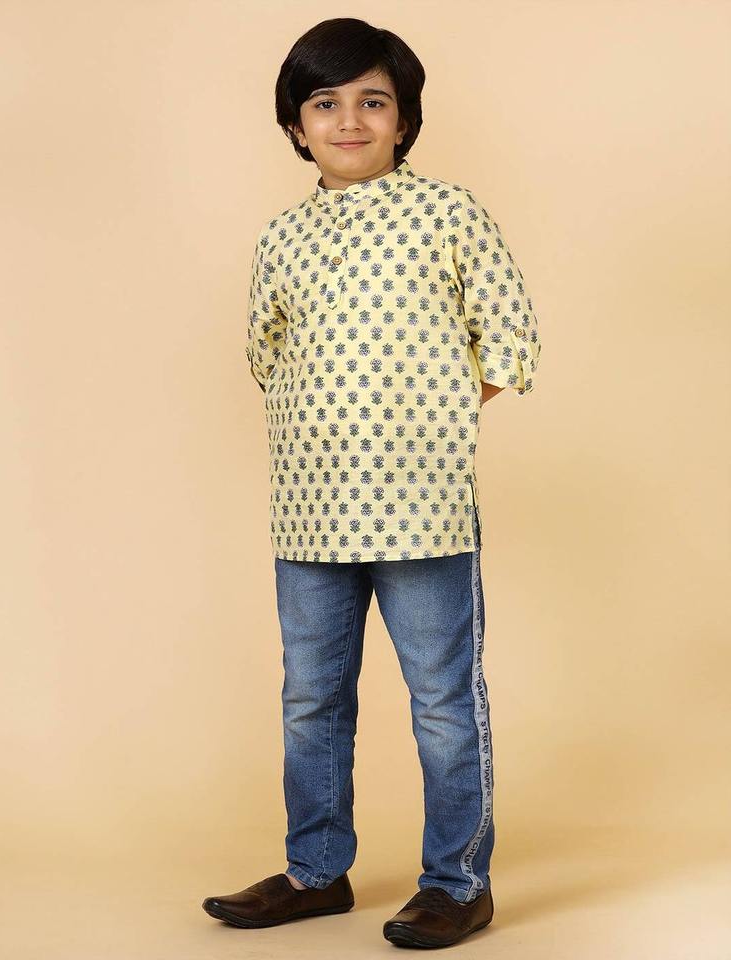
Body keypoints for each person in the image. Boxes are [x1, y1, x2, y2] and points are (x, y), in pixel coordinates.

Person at [202, 16, 541, 949]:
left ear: (404, 120)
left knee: (442, 703)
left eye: (373, 101)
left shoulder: (449, 213)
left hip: (423, 510)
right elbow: (266, 353)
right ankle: (316, 871)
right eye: (326, 102)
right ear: (296, 125)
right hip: (309, 512)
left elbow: (511, 334)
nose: (349, 120)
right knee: (311, 699)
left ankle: (457, 882)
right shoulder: (282, 237)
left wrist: (432, 414)